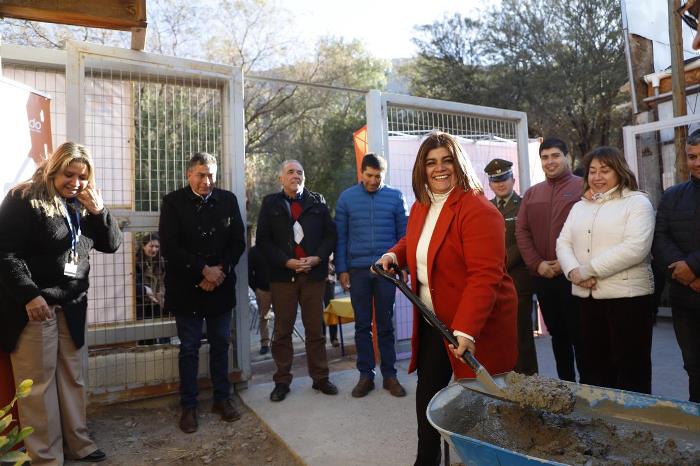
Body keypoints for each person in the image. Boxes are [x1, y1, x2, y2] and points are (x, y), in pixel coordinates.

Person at [377, 131, 517, 466]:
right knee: (428, 394)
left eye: (446, 160)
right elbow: (416, 241)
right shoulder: (423, 205)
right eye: (431, 162)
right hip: (435, 322)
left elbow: (485, 277)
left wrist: (466, 331)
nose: (439, 168)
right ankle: (426, 460)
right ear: (422, 169)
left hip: (475, 325)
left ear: (458, 164)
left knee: (482, 405)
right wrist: (395, 254)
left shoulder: (478, 210)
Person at [0, 142, 122, 465]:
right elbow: (5, 253)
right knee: (38, 387)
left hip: (73, 305)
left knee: (73, 377)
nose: (76, 182)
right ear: (54, 168)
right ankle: (46, 457)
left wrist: (99, 210)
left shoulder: (83, 202)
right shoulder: (23, 199)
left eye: (83, 176)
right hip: (35, 308)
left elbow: (112, 244)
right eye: (69, 174)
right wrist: (29, 294)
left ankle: (78, 444)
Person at [557, 147, 655, 393]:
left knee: (631, 368)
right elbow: (563, 242)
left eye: (605, 170)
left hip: (628, 299)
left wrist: (588, 270)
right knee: (595, 368)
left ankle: (635, 427)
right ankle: (601, 425)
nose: (597, 177)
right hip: (588, 299)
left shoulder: (637, 202)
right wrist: (573, 272)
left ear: (619, 171)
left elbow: (635, 248)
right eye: (592, 171)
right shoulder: (580, 206)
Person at [159, 152, 245, 433]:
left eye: (210, 175)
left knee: (221, 342)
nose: (206, 181)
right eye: (200, 174)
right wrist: (202, 271)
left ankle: (222, 399)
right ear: (189, 174)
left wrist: (219, 270)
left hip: (220, 286)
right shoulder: (173, 202)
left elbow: (238, 242)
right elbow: (170, 246)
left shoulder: (228, 200)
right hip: (187, 288)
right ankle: (189, 406)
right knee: (189, 348)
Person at [257, 159, 338, 402]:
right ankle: (282, 380)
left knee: (315, 330)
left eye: (300, 172)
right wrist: (286, 262)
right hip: (283, 277)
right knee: (282, 332)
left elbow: (330, 236)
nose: (296, 176)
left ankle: (320, 378)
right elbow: (263, 241)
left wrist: (318, 258)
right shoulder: (270, 203)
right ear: (281, 178)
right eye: (290, 172)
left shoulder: (317, 202)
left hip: (313, 277)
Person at [335, 153, 409, 398]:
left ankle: (390, 376)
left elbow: (404, 236)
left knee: (386, 324)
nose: (374, 180)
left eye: (378, 176)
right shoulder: (346, 198)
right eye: (369, 175)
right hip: (357, 271)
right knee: (362, 325)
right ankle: (366, 375)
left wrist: (404, 268)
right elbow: (341, 237)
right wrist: (342, 270)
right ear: (361, 173)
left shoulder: (395, 197)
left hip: (386, 271)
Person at [515, 138, 587, 383]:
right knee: (559, 337)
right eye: (545, 157)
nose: (550, 161)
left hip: (575, 276)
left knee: (582, 337)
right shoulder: (532, 193)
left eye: (555, 155)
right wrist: (537, 264)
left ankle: (589, 391)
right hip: (544, 277)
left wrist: (566, 263)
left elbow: (590, 230)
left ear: (567, 156)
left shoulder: (583, 188)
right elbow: (521, 231)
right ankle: (566, 388)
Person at [653, 129, 700, 402]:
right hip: (686, 299)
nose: (696, 162)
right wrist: (688, 277)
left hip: (688, 281)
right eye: (692, 156)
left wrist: (692, 265)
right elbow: (660, 240)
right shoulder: (672, 196)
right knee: (694, 367)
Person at [484, 158, 538, 375]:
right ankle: (506, 380)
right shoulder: (486, 207)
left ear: (513, 180)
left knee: (521, 334)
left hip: (517, 279)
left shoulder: (524, 205)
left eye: (504, 179)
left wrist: (498, 263)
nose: (500, 184)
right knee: (498, 335)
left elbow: (524, 240)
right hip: (493, 281)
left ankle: (529, 381)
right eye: (496, 181)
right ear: (490, 184)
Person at [135, 233, 169, 345]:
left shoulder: (161, 262)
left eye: (157, 247)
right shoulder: (136, 262)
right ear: (143, 246)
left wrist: (161, 293)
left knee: (161, 331)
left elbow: (163, 281)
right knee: (145, 336)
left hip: (157, 302)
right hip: (142, 303)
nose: (154, 249)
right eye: (151, 246)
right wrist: (147, 294)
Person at [248, 244, 272, 355]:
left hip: (279, 287)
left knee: (283, 316)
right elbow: (248, 272)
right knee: (264, 317)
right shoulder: (254, 251)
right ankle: (265, 343)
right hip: (262, 289)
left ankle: (280, 341)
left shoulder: (276, 246)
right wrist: (256, 288)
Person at [322, 255, 339, 347]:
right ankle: (322, 336)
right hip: (315, 278)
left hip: (329, 278)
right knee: (318, 309)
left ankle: (334, 338)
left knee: (331, 307)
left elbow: (332, 257)